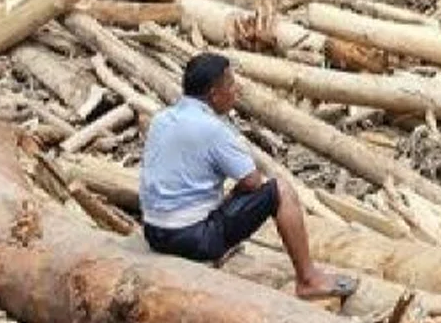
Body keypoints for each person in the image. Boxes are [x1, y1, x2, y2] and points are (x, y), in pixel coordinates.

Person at [138, 52, 355, 300]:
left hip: (154, 232)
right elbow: (252, 181)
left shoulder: (161, 118)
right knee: (281, 190)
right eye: (230, 84)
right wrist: (235, 195)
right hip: (192, 239)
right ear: (214, 94)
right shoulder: (214, 130)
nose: (236, 90)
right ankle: (308, 279)